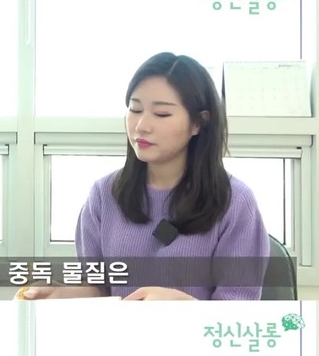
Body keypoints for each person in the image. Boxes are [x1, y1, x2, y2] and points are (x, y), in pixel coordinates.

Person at [75, 56, 270, 295]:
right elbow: (98, 289)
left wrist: (184, 307)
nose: (141, 126)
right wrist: (61, 296)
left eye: (161, 114)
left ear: (198, 123)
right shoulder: (104, 194)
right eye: (135, 109)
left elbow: (237, 307)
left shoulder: (235, 202)